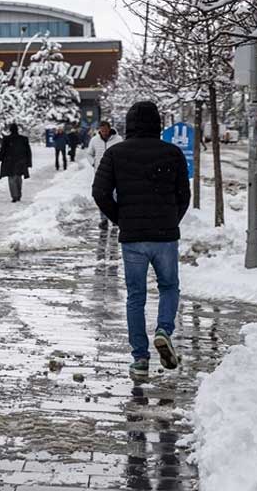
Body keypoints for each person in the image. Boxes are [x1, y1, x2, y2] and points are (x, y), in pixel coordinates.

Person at [91, 101, 191, 383]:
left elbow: (99, 193)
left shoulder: (115, 153)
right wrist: (172, 219)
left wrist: (120, 219)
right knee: (169, 286)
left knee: (136, 296)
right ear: (158, 123)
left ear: (129, 123)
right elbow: (184, 194)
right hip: (165, 235)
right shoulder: (172, 153)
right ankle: (163, 331)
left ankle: (140, 359)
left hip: (132, 237)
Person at [86, 120, 122, 229]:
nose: (104, 133)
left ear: (109, 129)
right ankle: (104, 220)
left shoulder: (118, 140)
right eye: (102, 131)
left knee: (115, 195)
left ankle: (116, 218)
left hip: (115, 172)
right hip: (100, 173)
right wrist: (93, 163)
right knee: (102, 196)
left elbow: (122, 154)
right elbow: (89, 154)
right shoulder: (94, 140)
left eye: (105, 130)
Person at [0, 122, 33, 202]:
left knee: (11, 179)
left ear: (10, 130)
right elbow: (28, 151)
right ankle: (18, 194)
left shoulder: (7, 139)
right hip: (21, 161)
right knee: (18, 177)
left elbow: (3, 151)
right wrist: (29, 162)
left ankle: (14, 196)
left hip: (9, 162)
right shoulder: (23, 139)